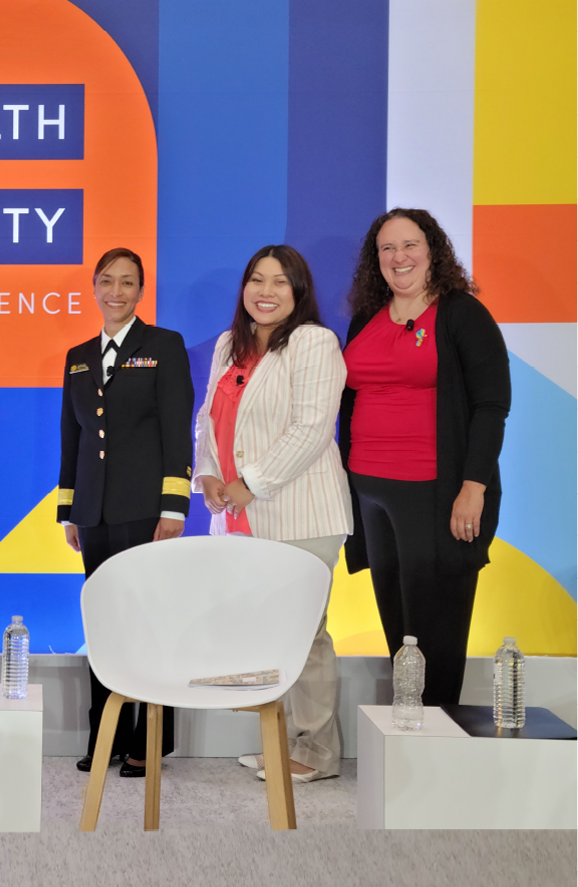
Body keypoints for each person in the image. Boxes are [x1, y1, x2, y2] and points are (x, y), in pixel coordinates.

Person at [193, 245, 352, 783]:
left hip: (301, 512)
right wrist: (208, 476)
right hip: (238, 516)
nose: (266, 291)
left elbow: (311, 430)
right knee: (262, 634)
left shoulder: (314, 342)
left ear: (299, 291)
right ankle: (277, 742)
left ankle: (319, 752)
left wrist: (248, 485)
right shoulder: (226, 346)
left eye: (280, 282)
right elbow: (208, 420)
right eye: (256, 280)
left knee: (305, 635)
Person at [340, 208, 510, 706]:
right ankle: (407, 727)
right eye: (387, 248)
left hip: (434, 491)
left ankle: (434, 737)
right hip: (370, 491)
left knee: (435, 626)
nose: (399, 257)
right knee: (397, 623)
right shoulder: (364, 318)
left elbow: (491, 405)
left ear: (433, 250)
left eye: (410, 245)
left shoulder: (461, 313)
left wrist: (473, 485)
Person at [58, 247, 193, 778]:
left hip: (146, 510)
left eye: (128, 283)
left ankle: (151, 739)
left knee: (149, 623)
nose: (117, 292)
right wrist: (69, 508)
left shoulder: (164, 346)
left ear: (141, 290)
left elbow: (176, 429)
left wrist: (174, 505)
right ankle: (106, 734)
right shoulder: (78, 355)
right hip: (94, 511)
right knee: (105, 624)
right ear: (93, 286)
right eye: (108, 281)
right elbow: (71, 435)